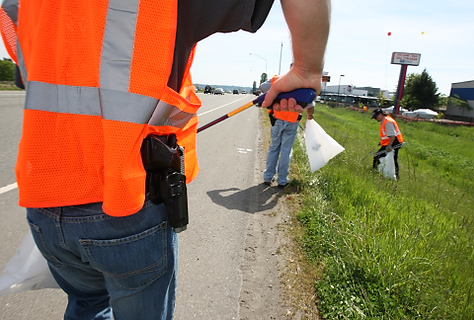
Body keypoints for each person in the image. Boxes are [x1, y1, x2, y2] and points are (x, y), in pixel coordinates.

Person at [0, 0, 331, 319]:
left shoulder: (24, 5)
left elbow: (35, 73)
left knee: (86, 304)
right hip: (124, 205)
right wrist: (306, 69)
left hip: (44, 201)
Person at [260, 75, 315, 188]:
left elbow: (262, 87)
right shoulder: (305, 84)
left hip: (277, 119)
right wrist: (310, 115)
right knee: (286, 150)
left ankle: (268, 177)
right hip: (292, 121)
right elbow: (311, 104)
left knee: (274, 147)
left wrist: (278, 93)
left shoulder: (278, 79)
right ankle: (282, 180)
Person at [371, 108, 404, 178]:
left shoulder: (388, 121)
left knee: (380, 157)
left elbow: (392, 135)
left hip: (394, 143)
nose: (375, 119)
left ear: (380, 115)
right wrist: (381, 142)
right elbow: (386, 135)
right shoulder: (384, 121)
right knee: (383, 157)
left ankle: (393, 175)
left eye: (376, 117)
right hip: (390, 143)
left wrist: (389, 145)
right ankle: (382, 172)